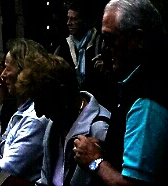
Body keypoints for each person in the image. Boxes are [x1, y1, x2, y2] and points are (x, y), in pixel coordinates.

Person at [72, 0, 168, 185]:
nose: (105, 48)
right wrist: (108, 147)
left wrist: (94, 161)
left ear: (138, 39)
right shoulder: (160, 76)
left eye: (109, 39)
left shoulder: (148, 101)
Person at [21, 52, 110, 186]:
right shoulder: (54, 125)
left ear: (61, 94)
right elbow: (45, 180)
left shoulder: (100, 128)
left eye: (41, 102)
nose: (39, 113)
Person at [0, 38, 48, 180]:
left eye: (8, 69)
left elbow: (1, 172)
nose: (3, 74)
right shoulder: (23, 111)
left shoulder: (35, 118)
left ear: (25, 72)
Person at [54, 5, 102, 90]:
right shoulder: (64, 47)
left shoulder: (98, 43)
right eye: (68, 18)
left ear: (84, 21)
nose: (69, 23)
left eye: (74, 19)